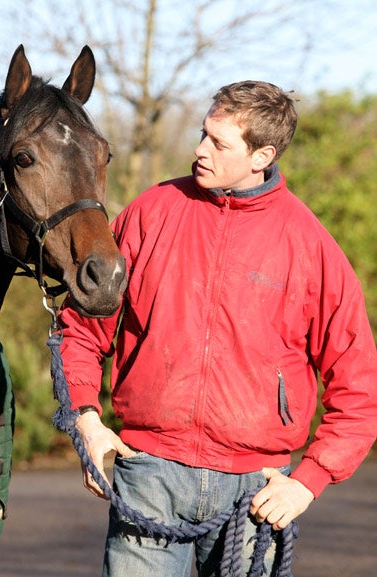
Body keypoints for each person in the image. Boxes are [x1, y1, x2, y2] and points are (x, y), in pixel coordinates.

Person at [58, 80, 377, 577]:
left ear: (262, 155)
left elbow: (359, 390)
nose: (199, 149)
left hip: (257, 492)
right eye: (203, 133)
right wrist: (87, 420)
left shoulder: (311, 247)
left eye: (218, 143)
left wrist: (307, 481)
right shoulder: (149, 212)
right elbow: (81, 327)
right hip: (150, 474)